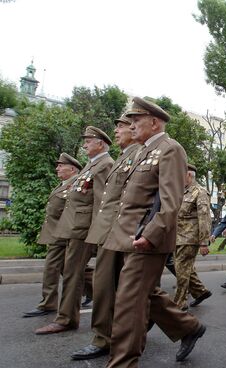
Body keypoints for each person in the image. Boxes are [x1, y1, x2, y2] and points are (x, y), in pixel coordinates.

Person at [101, 97, 206, 366]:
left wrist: (151, 234)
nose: (131, 125)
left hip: (146, 239)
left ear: (154, 122)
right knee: (141, 294)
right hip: (126, 236)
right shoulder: (141, 151)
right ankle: (188, 327)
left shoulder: (169, 149)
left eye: (136, 120)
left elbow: (171, 201)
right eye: (131, 120)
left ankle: (122, 362)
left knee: (128, 303)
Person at [69, 115, 141, 360]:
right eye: (119, 126)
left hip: (120, 230)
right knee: (122, 287)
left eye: (123, 126)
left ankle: (106, 338)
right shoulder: (123, 158)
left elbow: (116, 200)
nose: (119, 130)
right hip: (108, 230)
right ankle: (183, 326)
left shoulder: (136, 156)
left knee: (112, 286)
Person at [35, 126, 114, 335]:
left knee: (72, 273)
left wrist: (97, 233)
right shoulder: (92, 165)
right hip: (75, 227)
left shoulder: (104, 164)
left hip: (84, 229)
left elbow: (101, 201)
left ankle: (67, 318)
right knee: (72, 272)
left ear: (101, 144)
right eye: (85, 140)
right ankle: (68, 316)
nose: (85, 144)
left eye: (89, 141)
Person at [23, 153, 81, 318]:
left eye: (61, 165)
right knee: (67, 268)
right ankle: (92, 290)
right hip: (56, 232)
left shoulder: (75, 184)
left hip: (62, 234)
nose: (57, 168)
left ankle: (48, 303)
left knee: (51, 268)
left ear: (72, 168)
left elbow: (73, 210)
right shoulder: (63, 184)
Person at [173, 163, 212, 310]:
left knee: (182, 270)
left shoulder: (200, 192)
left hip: (190, 239)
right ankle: (200, 291)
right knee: (183, 268)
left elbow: (204, 218)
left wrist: (204, 242)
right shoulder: (181, 192)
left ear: (189, 175)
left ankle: (179, 303)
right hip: (177, 238)